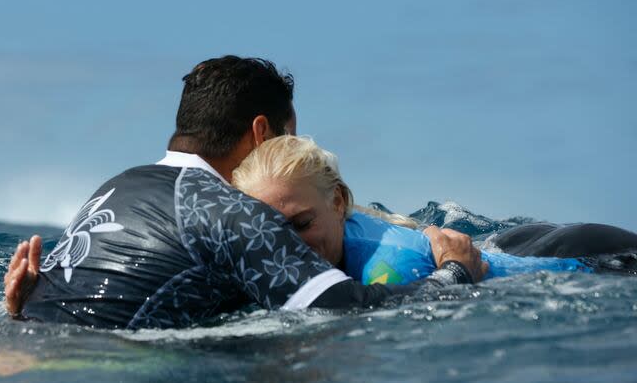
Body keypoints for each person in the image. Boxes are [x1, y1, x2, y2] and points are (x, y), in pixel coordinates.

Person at [4, 56, 487, 329]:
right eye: (289, 137)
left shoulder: (117, 186)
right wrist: (455, 275)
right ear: (262, 133)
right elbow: (344, 313)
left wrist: (21, 310)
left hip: (28, 350)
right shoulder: (233, 212)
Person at [231, 135, 637, 283]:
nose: (287, 245)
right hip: (503, 240)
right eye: (270, 230)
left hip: (582, 256)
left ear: (338, 202)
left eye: (301, 223)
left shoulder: (388, 269)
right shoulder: (329, 232)